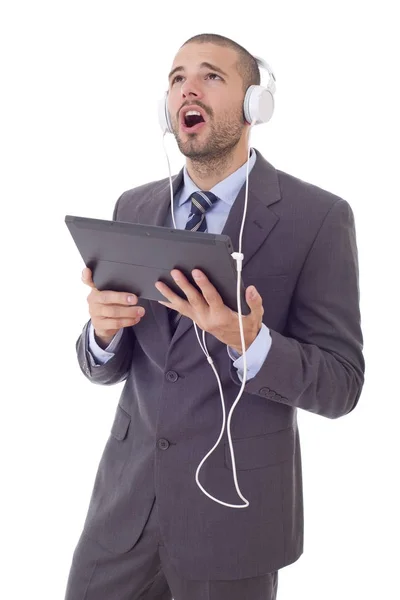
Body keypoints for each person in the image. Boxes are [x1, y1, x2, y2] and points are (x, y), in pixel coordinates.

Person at [64, 33, 365, 600]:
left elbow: (342, 385)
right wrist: (102, 334)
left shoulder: (318, 218)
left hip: (233, 522)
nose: (186, 90)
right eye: (177, 79)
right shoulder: (134, 207)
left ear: (255, 105)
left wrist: (250, 342)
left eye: (210, 77)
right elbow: (108, 366)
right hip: (123, 514)